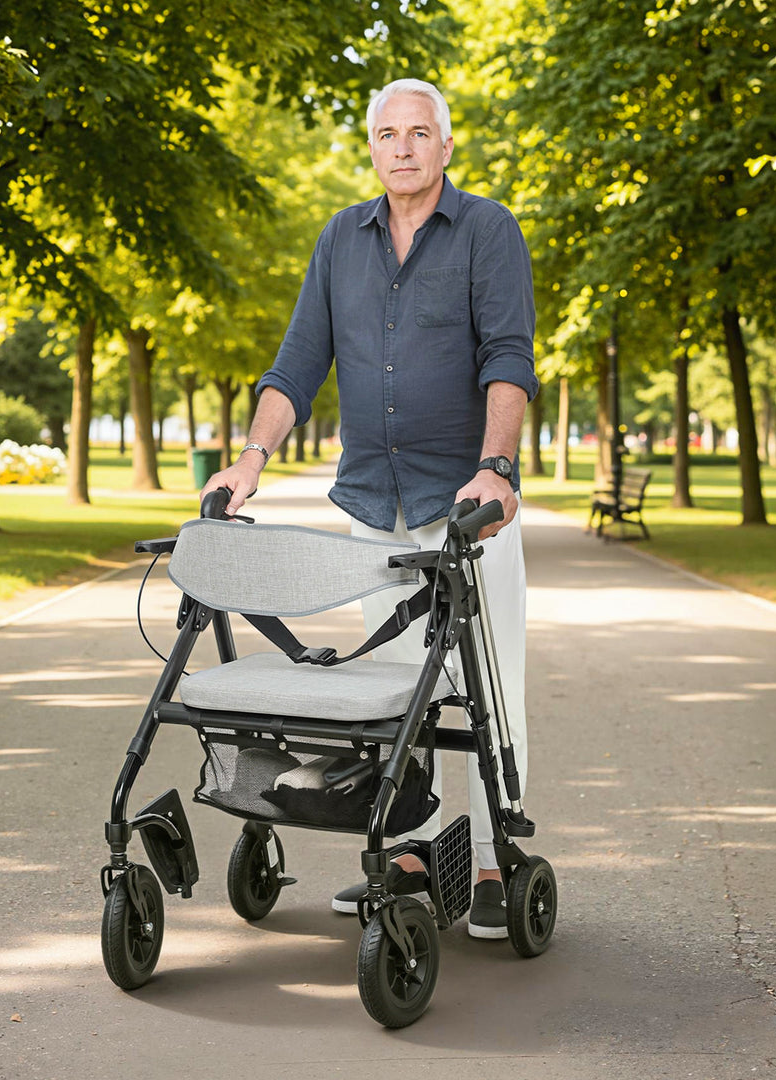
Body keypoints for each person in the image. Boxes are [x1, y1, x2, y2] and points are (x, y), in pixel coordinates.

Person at [201, 78, 537, 939]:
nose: (403, 147)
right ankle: (417, 853)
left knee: (489, 687)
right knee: (396, 693)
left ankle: (493, 858)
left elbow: (508, 356)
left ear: (446, 147)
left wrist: (495, 469)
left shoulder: (488, 231)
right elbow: (297, 364)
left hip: (467, 511)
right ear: (373, 148)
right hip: (374, 513)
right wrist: (249, 460)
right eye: (388, 134)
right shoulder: (339, 240)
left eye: (419, 133)